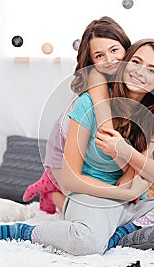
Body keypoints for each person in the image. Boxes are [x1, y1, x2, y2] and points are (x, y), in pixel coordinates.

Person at [0, 39, 154, 256]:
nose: (140, 72)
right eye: (136, 62)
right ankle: (27, 232)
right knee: (88, 244)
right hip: (93, 197)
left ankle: (129, 228)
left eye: (151, 69)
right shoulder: (89, 103)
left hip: (133, 207)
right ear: (124, 63)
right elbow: (71, 180)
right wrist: (123, 193)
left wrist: (124, 151)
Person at [22, 16, 132, 214]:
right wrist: (128, 175)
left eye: (114, 50)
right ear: (90, 61)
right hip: (63, 146)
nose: (109, 60)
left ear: (126, 47)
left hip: (91, 146)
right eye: (99, 55)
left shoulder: (130, 79)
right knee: (82, 207)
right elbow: (106, 130)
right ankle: (51, 193)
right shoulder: (97, 79)